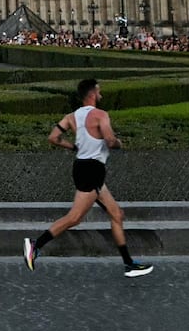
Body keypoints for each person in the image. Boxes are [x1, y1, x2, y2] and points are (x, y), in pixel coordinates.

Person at [24, 78, 153, 277]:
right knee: (74, 218)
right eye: (99, 92)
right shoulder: (101, 115)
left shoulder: (71, 117)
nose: (101, 95)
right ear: (92, 95)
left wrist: (73, 146)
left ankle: (129, 264)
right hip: (92, 170)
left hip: (83, 167)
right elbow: (110, 141)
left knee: (117, 214)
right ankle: (35, 245)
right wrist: (119, 143)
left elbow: (53, 138)